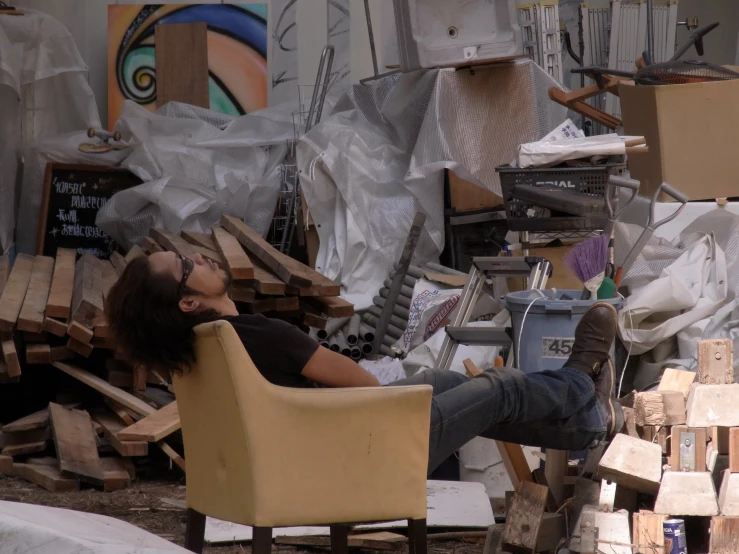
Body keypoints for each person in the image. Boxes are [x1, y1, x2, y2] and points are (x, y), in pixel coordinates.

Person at [106, 251, 625, 474]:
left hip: (324, 449)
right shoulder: (256, 336)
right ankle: (581, 380)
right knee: (497, 389)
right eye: (186, 266)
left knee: (441, 378)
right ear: (188, 302)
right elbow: (359, 383)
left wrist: (419, 387)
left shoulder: (202, 347)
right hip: (369, 446)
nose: (201, 257)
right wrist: (408, 395)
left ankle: (589, 426)